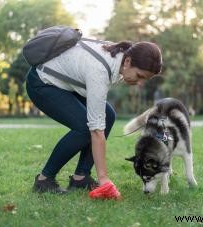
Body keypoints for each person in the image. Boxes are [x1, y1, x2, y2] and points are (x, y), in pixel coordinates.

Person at [26, 39, 162, 199]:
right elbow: (96, 131)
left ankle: (81, 177)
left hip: (64, 84)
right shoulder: (99, 70)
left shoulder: (117, 56)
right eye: (139, 76)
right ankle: (44, 180)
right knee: (84, 127)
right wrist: (103, 178)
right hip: (42, 83)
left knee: (108, 115)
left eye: (144, 79)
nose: (140, 83)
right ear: (128, 61)